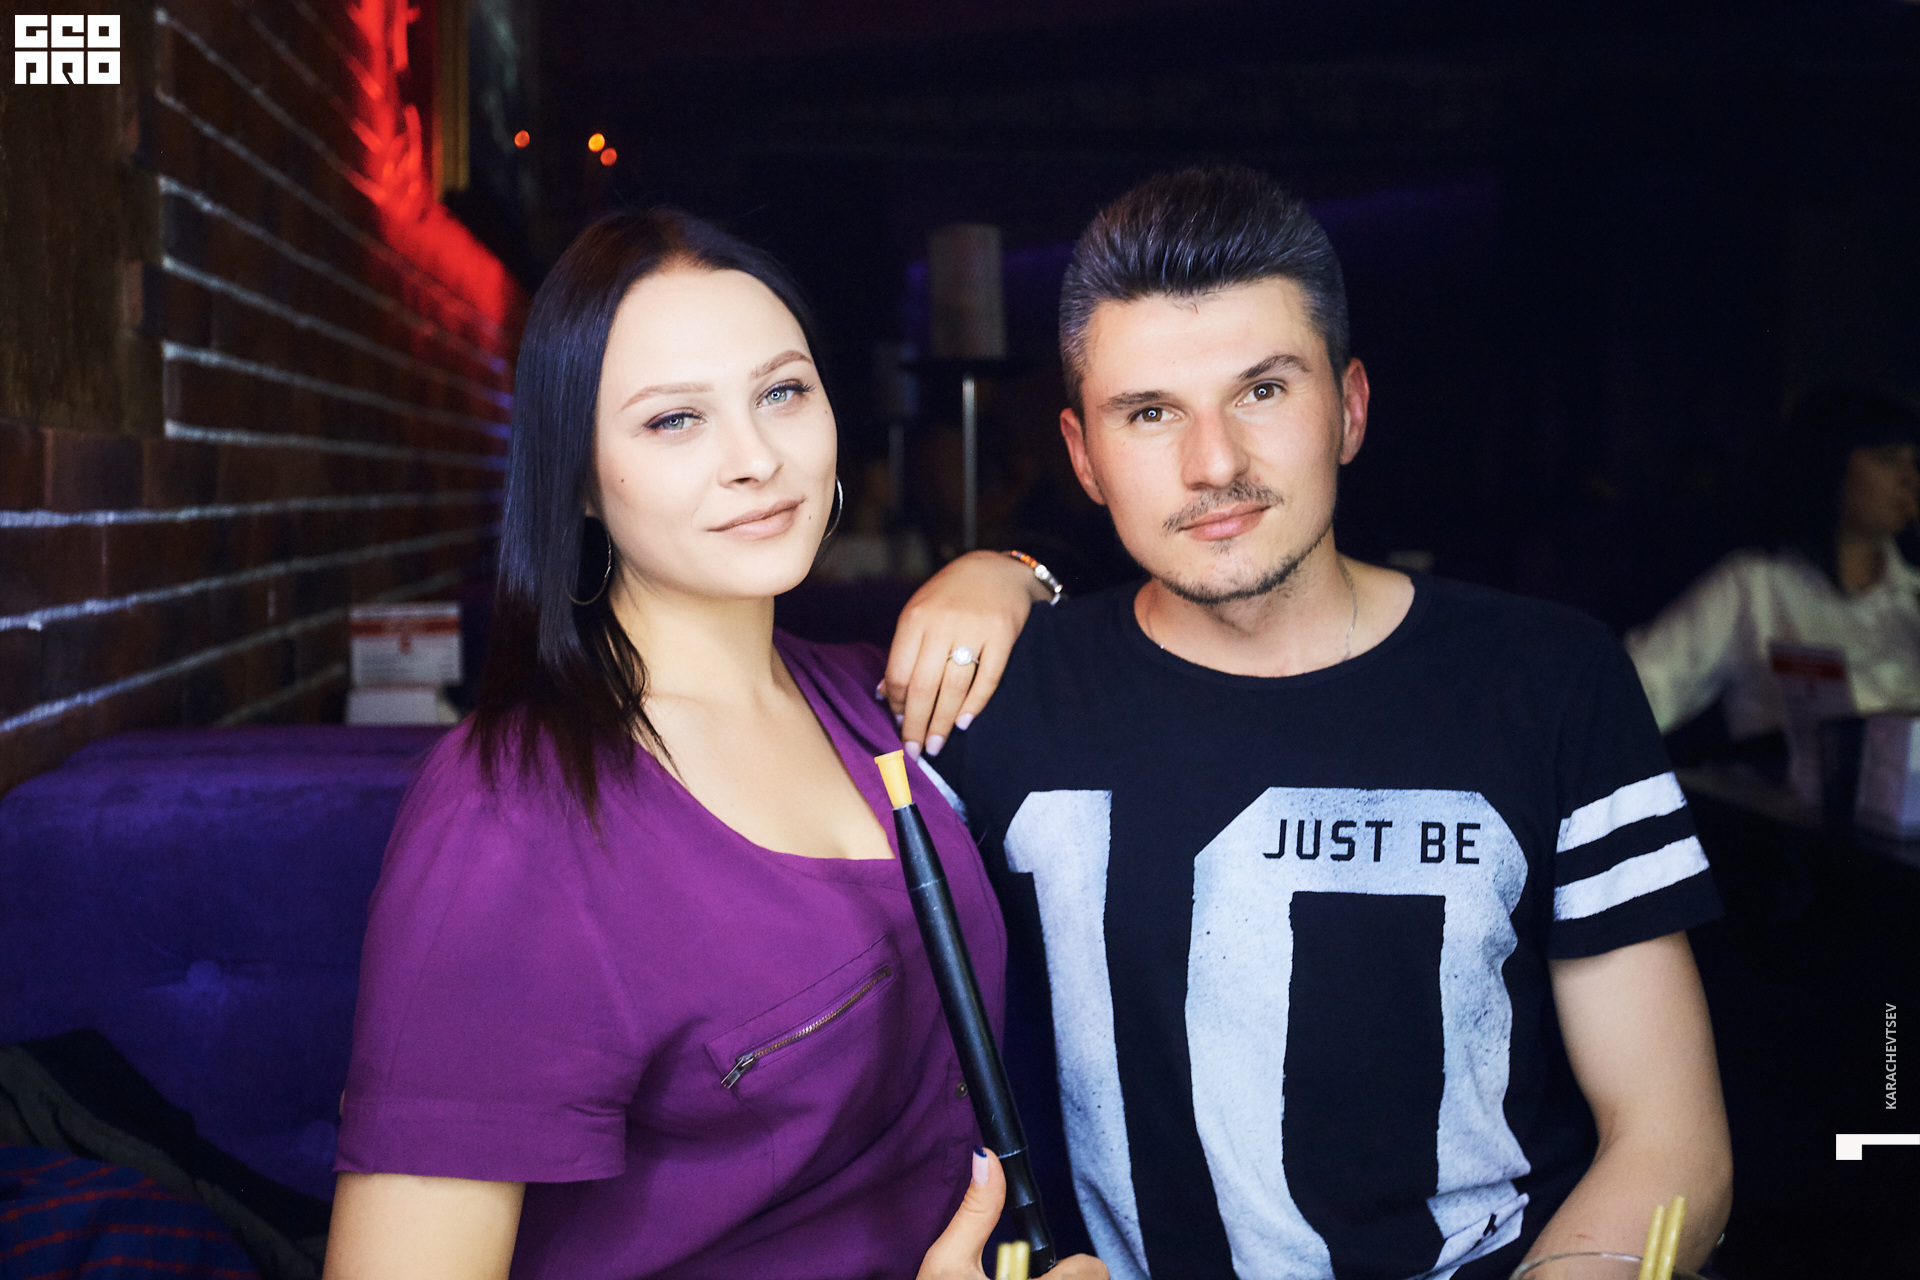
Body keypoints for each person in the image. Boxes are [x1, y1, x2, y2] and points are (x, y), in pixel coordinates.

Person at [882, 165, 1733, 1279]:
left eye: (1264, 390)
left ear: (1351, 407)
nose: (1215, 463)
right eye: (1150, 413)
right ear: (1084, 457)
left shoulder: (1548, 678)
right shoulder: (994, 701)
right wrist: (1009, 571)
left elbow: (1670, 1139)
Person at [321, 210, 1102, 1280]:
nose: (756, 458)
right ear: (580, 476)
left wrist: (1012, 571)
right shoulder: (511, 811)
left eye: (782, 393)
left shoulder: (866, 694)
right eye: (675, 419)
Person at [1627, 385, 1920, 741]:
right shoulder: (1753, 585)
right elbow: (1636, 692)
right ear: (1829, 464)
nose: (1909, 479)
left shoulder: (1911, 593)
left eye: (1914, 462)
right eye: (1887, 459)